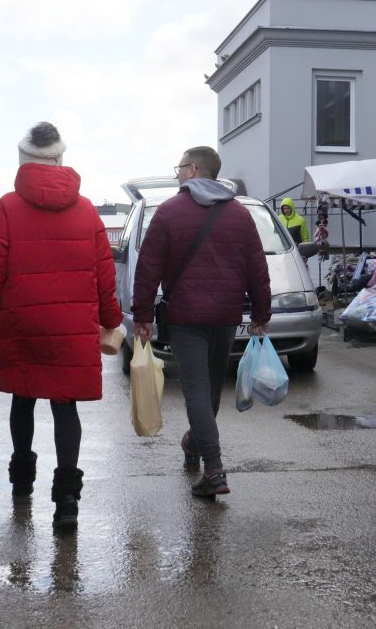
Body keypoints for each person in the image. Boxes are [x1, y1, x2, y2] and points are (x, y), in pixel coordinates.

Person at [0, 121, 122, 530]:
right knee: (65, 407)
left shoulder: (7, 209)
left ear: (24, 160)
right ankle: (67, 498)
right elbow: (104, 276)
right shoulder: (86, 212)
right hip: (72, 329)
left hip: (22, 324)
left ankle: (22, 482)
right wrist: (111, 321)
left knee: (23, 397)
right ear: (60, 159)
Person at [132, 146, 271, 497]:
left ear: (193, 169)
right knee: (208, 391)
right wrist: (260, 314)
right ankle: (194, 443)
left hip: (185, 316)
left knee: (196, 390)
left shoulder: (168, 212)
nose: (177, 173)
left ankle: (214, 469)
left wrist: (143, 316)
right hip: (225, 315)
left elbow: (148, 268)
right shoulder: (240, 215)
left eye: (180, 167)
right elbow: (257, 267)